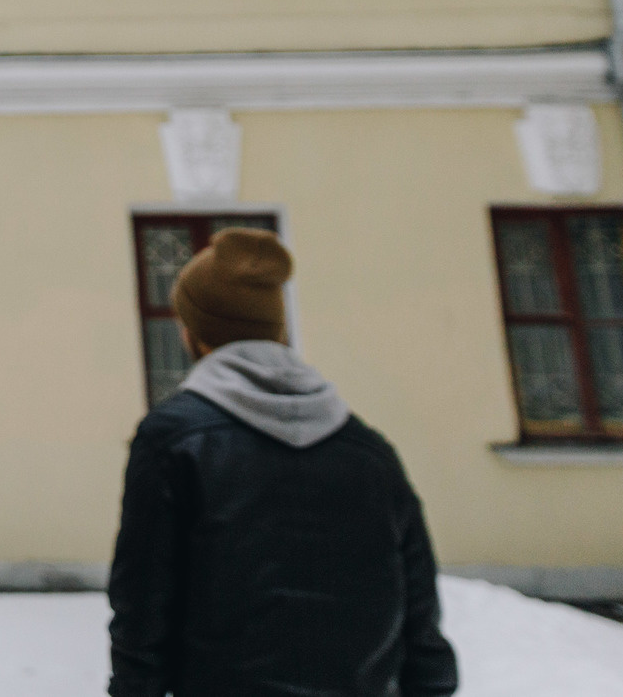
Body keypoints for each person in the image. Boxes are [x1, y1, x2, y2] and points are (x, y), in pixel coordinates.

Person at [106, 230, 458, 697]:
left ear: (195, 335)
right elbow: (419, 610)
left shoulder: (172, 441)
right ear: (278, 331)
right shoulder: (369, 452)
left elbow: (142, 605)